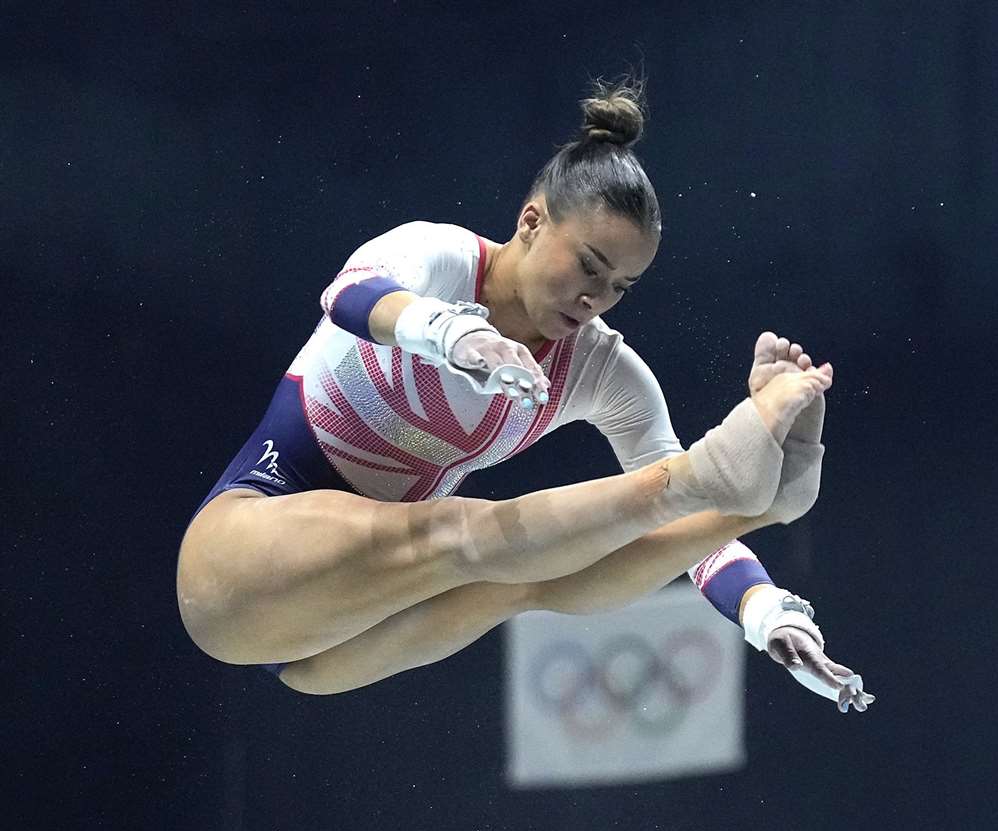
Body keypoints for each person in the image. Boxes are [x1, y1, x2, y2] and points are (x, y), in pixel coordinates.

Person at [177, 79, 872, 712]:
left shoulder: (601, 368)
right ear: (532, 221)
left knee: (522, 582)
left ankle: (757, 507)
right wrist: (451, 335)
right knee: (463, 533)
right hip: (241, 559)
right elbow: (347, 297)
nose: (595, 297)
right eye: (589, 265)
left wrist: (764, 612)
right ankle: (698, 481)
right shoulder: (440, 258)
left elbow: (674, 550)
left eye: (619, 287)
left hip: (333, 648)